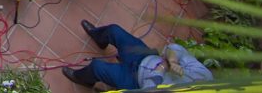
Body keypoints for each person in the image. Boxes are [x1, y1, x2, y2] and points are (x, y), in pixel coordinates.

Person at [62, 22, 212, 89]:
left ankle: (83, 79)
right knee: (114, 30)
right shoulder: (204, 76)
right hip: (143, 57)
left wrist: (162, 68)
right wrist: (173, 61)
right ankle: (100, 38)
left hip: (134, 81)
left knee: (96, 67)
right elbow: (175, 48)